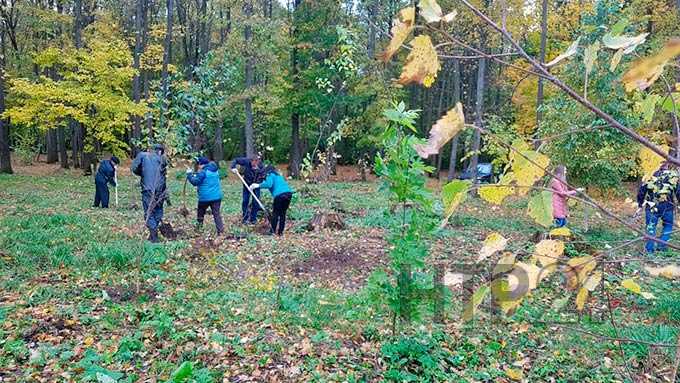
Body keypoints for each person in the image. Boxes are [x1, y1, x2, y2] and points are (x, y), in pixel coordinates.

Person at [637, 161, 680, 253]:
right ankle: (662, 246)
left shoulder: (649, 176)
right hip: (667, 207)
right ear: (667, 165)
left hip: (652, 206)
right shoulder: (672, 177)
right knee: (668, 226)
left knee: (651, 227)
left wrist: (640, 204)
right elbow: (678, 192)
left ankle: (649, 250)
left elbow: (641, 191)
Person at [131, 144, 168, 243]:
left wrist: (143, 172)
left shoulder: (143, 155)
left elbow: (134, 168)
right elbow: (164, 177)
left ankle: (154, 236)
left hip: (148, 189)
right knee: (158, 210)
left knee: (149, 212)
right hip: (160, 190)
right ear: (159, 151)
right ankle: (153, 234)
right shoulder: (163, 159)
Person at [250, 165, 294, 236]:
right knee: (282, 214)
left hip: (279, 195)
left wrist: (257, 185)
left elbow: (269, 184)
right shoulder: (278, 176)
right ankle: (280, 232)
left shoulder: (270, 174)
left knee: (275, 213)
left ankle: (272, 231)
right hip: (288, 194)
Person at [186, 157, 224, 235]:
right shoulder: (215, 170)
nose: (198, 166)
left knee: (200, 213)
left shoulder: (203, 172)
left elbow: (195, 182)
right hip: (217, 197)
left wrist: (189, 174)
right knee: (216, 214)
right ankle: (221, 232)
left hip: (205, 198)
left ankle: (199, 229)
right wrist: (196, 174)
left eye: (199, 164)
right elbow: (204, 178)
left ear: (201, 164)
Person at [230, 155, 264, 224]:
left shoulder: (261, 166)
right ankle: (245, 218)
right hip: (247, 184)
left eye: (256, 163)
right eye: (253, 163)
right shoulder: (246, 161)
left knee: (255, 201)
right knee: (245, 200)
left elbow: (262, 176)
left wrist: (256, 184)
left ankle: (253, 219)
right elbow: (235, 160)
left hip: (256, 185)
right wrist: (233, 167)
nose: (255, 165)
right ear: (251, 161)